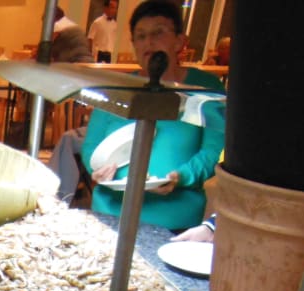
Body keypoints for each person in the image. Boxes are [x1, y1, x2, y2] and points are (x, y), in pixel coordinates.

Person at [81, 0, 226, 232]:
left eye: (158, 32)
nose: (148, 42)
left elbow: (213, 150)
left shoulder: (205, 88)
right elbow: (91, 146)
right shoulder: (117, 88)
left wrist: (182, 176)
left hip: (173, 218)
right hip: (110, 211)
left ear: (179, 41)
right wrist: (96, 168)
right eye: (140, 36)